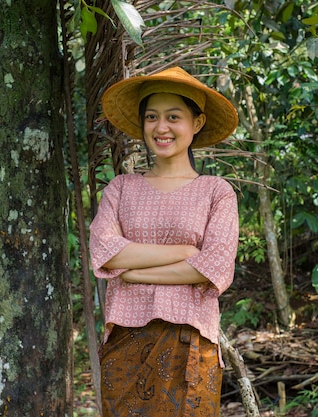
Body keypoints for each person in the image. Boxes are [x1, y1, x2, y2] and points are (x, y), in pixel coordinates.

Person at [89, 66, 239, 417]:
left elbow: (214, 268)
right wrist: (186, 253)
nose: (161, 127)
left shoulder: (217, 192)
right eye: (152, 117)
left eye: (174, 117)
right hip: (126, 343)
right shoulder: (121, 188)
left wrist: (134, 273)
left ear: (197, 123)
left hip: (190, 342)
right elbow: (104, 251)